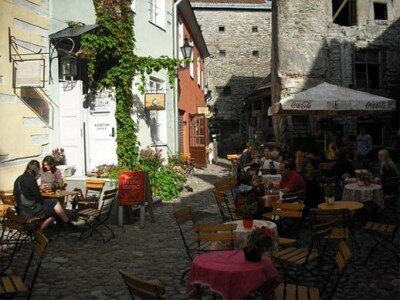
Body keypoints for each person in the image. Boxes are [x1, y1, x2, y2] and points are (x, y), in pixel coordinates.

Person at [13, 160, 80, 232]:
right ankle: (39, 233)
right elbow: (40, 200)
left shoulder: (19, 178)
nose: (38, 173)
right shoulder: (31, 180)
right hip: (29, 210)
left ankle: (68, 224)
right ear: (36, 170)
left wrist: (38, 188)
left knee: (54, 202)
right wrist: (37, 187)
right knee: (54, 211)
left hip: (21, 209)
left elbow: (26, 189)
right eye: (38, 171)